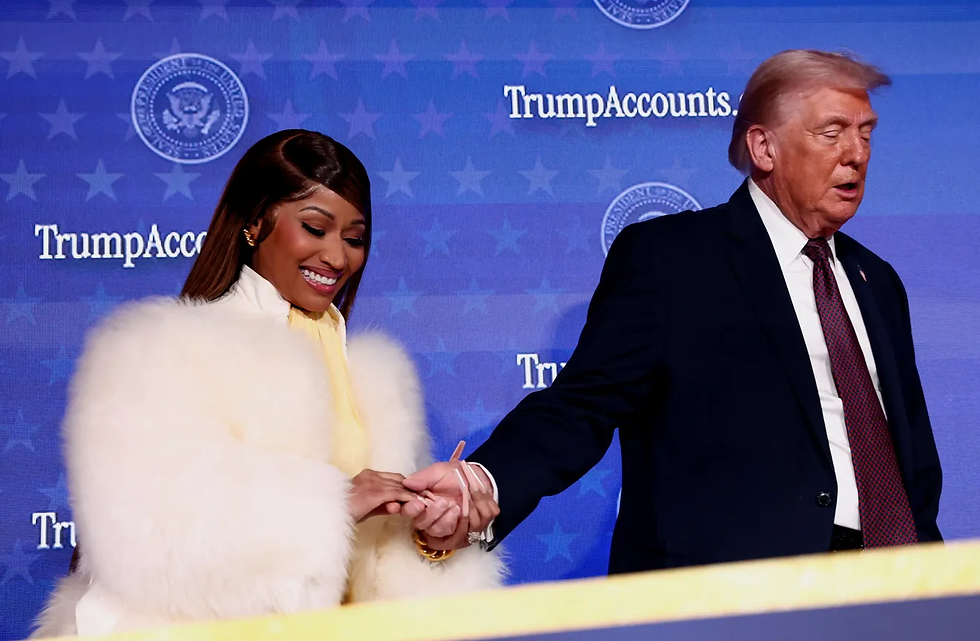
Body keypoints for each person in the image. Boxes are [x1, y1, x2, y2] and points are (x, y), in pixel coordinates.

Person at [404, 50, 944, 572]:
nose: (856, 153)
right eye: (832, 132)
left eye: (866, 132)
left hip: (889, 589)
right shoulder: (672, 260)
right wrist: (485, 481)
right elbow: (581, 406)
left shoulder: (877, 282)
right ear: (764, 147)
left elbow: (909, 463)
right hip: (735, 595)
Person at [32, 130, 503, 638]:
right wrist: (333, 505)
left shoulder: (371, 378)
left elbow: (369, 569)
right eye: (315, 228)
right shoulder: (161, 349)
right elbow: (149, 544)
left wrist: (430, 535)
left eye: (354, 238)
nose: (337, 258)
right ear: (255, 223)